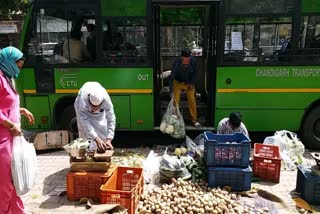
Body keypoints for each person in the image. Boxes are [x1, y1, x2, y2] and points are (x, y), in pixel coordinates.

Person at [0, 46, 35, 213]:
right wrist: (11, 125)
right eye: (18, 64)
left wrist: (20, 110)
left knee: (14, 178)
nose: (19, 67)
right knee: (5, 182)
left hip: (12, 137)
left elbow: (6, 104)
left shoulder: (8, 77)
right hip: (3, 140)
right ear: (8, 61)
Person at [74, 82, 116, 152]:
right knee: (84, 131)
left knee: (102, 127)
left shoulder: (106, 99)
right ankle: (86, 152)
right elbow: (84, 121)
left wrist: (109, 138)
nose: (94, 109)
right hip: (84, 111)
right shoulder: (83, 100)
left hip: (99, 113)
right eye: (93, 106)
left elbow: (111, 118)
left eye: (97, 107)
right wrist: (96, 138)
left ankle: (101, 148)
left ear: (102, 102)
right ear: (89, 101)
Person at [169, 49, 200, 128]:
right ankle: (174, 120)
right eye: (184, 60)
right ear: (181, 58)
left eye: (188, 60)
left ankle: (194, 120)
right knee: (175, 101)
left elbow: (195, 73)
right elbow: (172, 77)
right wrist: (171, 90)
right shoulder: (176, 63)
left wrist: (191, 83)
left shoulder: (193, 61)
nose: (186, 62)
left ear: (190, 58)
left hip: (189, 83)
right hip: (177, 82)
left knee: (192, 100)